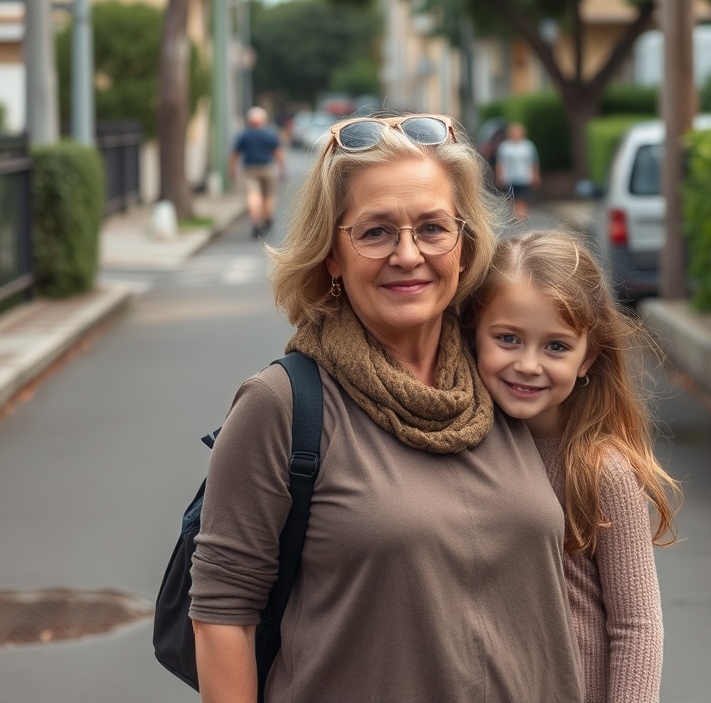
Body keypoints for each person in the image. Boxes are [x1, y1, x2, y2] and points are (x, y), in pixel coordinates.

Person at [188, 114, 583, 703]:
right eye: (375, 232)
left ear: (464, 243)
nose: (407, 254)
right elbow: (222, 615)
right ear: (331, 258)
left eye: (432, 228)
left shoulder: (511, 381)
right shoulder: (281, 406)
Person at [464, 230, 682, 703]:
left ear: (589, 358)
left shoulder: (602, 470)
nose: (528, 364)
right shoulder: (462, 446)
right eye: (507, 338)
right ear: (473, 334)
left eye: (556, 347)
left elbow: (637, 625)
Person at [230, 106, 286, 238]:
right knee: (269, 195)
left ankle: (256, 224)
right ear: (263, 120)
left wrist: (232, 171)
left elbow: (234, 155)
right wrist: (282, 168)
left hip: (250, 169)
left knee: (253, 195)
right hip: (267, 168)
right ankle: (268, 218)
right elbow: (278, 153)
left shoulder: (244, 135)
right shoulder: (270, 134)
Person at [494, 121, 539, 220]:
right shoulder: (505, 147)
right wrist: (499, 176)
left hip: (524, 176)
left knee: (522, 197)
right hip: (510, 177)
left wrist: (535, 175)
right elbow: (500, 163)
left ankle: (521, 214)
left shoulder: (528, 146)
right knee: (513, 198)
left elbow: (533, 162)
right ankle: (516, 213)